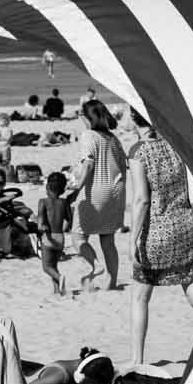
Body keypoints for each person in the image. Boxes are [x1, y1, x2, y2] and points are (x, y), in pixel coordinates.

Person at [126, 112, 193, 364]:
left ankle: (137, 360)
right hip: (187, 226)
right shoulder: (176, 145)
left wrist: (132, 238)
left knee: (140, 297)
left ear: (133, 120)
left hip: (157, 233)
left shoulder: (138, 152)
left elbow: (141, 199)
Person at [71, 97, 127, 290]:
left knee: (78, 236)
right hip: (117, 191)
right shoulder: (113, 138)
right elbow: (123, 166)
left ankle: (96, 265)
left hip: (97, 190)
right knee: (108, 240)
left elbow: (88, 164)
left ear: (87, 117)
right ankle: (111, 283)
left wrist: (76, 188)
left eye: (81, 114)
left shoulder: (88, 135)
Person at [36, 170, 73, 296]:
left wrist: (42, 227)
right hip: (60, 238)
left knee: (46, 267)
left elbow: (41, 219)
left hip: (48, 237)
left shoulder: (43, 202)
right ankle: (58, 290)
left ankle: (60, 278)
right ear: (62, 189)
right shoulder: (64, 202)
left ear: (47, 186)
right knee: (54, 266)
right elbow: (69, 220)